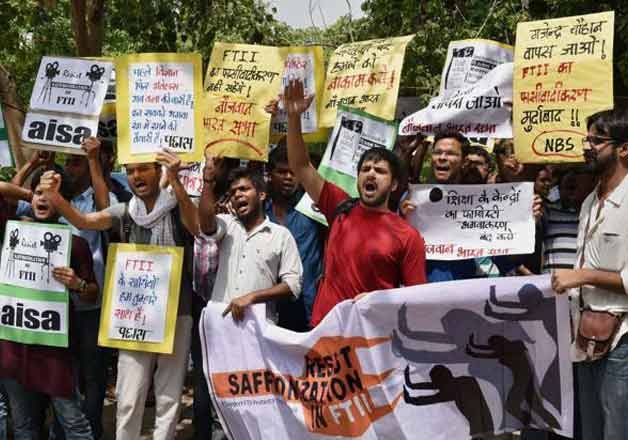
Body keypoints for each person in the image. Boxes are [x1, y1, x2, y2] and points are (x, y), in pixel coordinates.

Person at [40, 150, 197, 440]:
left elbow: (197, 227)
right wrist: (54, 196)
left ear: (158, 171)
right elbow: (84, 221)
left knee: (168, 397)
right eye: (131, 170)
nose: (136, 176)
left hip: (177, 314)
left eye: (143, 169)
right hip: (135, 318)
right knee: (127, 397)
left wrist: (176, 182)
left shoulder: (178, 207)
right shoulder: (124, 212)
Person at [283, 79, 426, 327]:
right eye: (365, 169)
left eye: (380, 171)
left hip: (371, 340)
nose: (370, 174)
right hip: (324, 332)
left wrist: (379, 300)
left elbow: (416, 299)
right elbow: (301, 166)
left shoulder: (408, 236)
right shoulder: (339, 206)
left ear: (393, 185)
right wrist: (294, 117)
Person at [0, 171, 98, 440]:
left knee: (74, 424)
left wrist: (77, 283)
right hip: (14, 348)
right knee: (24, 427)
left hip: (55, 353)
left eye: (51, 194)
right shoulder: (10, 233)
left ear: (64, 201)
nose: (43, 199)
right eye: (38, 193)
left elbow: (93, 294)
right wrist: (30, 193)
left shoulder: (76, 245)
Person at [551, 108, 628, 440]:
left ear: (624, 148)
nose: (586, 145)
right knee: (591, 431)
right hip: (584, 338)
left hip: (622, 340)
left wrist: (583, 276)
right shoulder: (589, 202)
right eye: (587, 138)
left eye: (596, 139)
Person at [266, 142, 323, 331]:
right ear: (269, 174)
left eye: (293, 172)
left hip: (308, 310)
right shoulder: (257, 213)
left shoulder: (315, 210)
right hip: (268, 311)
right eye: (282, 172)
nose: (289, 177)